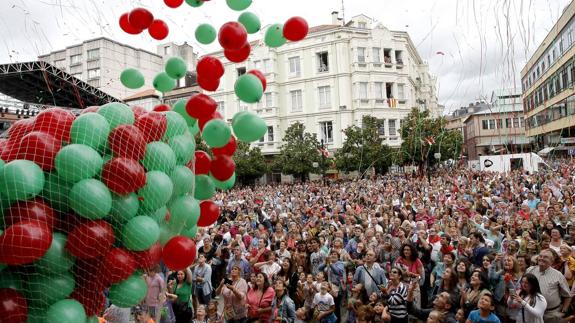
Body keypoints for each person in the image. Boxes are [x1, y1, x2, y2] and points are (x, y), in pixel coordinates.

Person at [525, 249, 571, 323]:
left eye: (545, 257)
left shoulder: (558, 275)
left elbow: (568, 295)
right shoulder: (530, 270)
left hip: (551, 314)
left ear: (552, 261)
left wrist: (564, 310)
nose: (541, 258)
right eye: (540, 256)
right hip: (531, 312)